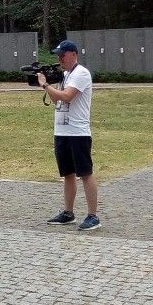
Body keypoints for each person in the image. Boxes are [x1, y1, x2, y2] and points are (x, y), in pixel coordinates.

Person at [40, 41, 101, 231]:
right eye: (58, 56)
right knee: (67, 173)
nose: (60, 59)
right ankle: (68, 212)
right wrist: (49, 85)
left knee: (85, 173)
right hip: (62, 131)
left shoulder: (81, 73)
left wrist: (45, 85)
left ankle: (93, 216)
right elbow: (55, 98)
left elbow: (66, 96)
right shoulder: (65, 75)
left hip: (78, 132)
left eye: (62, 55)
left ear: (73, 54)